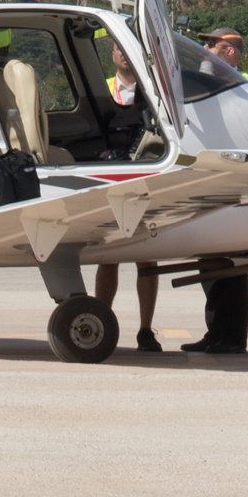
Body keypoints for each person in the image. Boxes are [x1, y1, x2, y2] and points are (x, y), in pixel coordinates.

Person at [182, 27, 248, 354]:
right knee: (210, 263)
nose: (205, 47)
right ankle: (215, 331)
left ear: (230, 52)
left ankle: (233, 337)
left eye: (213, 44)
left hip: (236, 180)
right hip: (212, 178)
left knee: (234, 267)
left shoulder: (245, 85)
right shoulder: (212, 81)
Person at [97, 35, 161, 350]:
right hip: (110, 182)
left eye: (128, 50)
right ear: (112, 54)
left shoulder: (150, 94)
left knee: (146, 259)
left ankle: (146, 330)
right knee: (108, 258)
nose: (123, 55)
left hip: (143, 181)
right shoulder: (102, 90)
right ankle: (102, 321)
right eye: (119, 49)